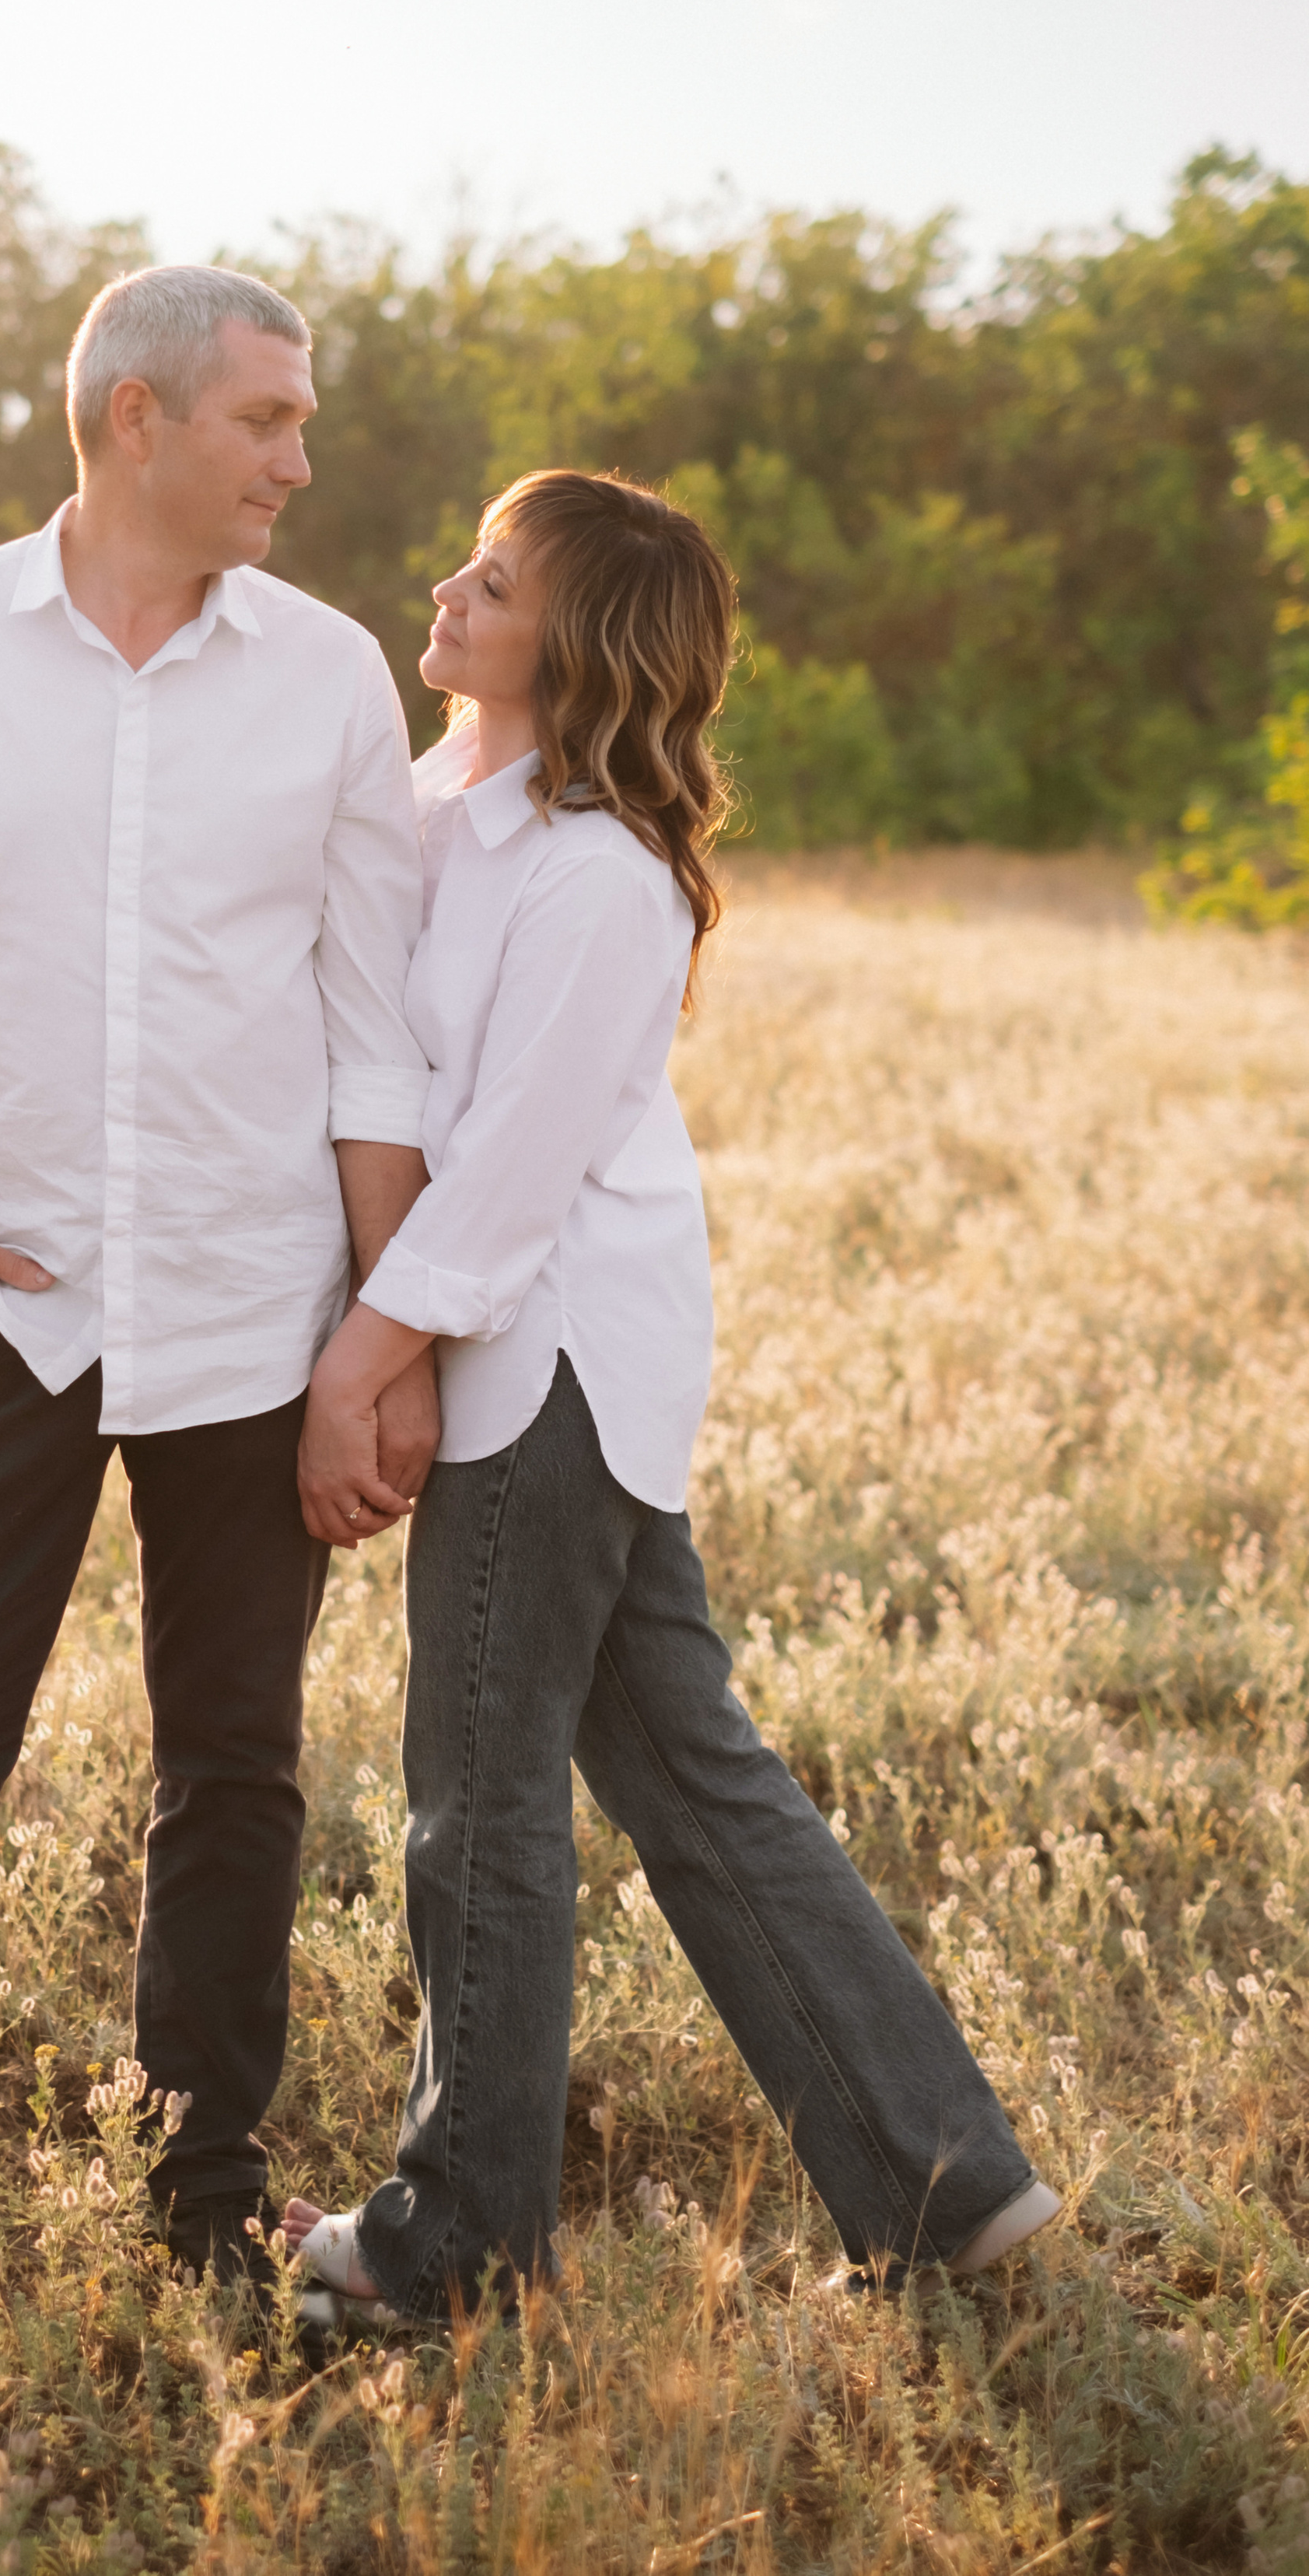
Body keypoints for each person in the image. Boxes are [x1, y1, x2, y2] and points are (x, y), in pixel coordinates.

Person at [285, 468, 1061, 2323]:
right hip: (522, 1357)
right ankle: (948, 2194)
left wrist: (356, 1368)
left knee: (479, 1806)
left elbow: (509, 1177)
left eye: (493, 582)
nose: (445, 589)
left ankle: (454, 2252)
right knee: (695, 1784)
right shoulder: (436, 809)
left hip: (544, 1368)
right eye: (466, 562)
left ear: (578, 646)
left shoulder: (596, 878)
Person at [0, 264, 441, 2310]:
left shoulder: (329, 678)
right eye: (265, 421)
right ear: (136, 417)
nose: (296, 464)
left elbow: (372, 1030)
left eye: (300, 425)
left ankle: (204, 2210)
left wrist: (380, 1345)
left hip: (255, 1319)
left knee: (236, 1772)